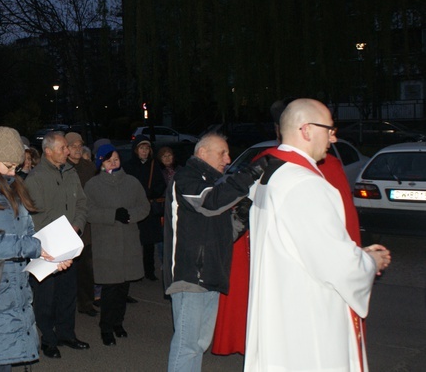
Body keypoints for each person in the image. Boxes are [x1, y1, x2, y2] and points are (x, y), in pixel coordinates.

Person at [245, 99, 391, 371]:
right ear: (306, 130)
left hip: (284, 305)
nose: (334, 137)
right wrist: (370, 262)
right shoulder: (305, 184)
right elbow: (337, 265)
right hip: (308, 315)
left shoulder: (272, 175)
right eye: (330, 129)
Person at [0, 126, 72, 372]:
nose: (13, 172)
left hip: (14, 295)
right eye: (8, 165)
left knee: (5, 364)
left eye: (16, 167)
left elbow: (28, 236)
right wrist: (34, 247)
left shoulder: (13, 189)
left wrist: (52, 260)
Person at [162, 133, 263, 372]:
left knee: (198, 344)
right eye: (222, 153)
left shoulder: (212, 183)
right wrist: (250, 175)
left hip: (211, 274)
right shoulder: (186, 178)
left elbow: (225, 234)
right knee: (188, 344)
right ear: (202, 153)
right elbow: (209, 203)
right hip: (190, 275)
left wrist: (242, 216)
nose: (228, 159)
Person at [25, 131, 89, 359]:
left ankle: (66, 334)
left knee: (67, 293)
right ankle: (48, 339)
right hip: (48, 248)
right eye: (63, 148)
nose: (68, 151)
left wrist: (77, 226)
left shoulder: (71, 172)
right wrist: (58, 234)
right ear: (49, 151)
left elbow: (82, 202)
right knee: (46, 297)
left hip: (69, 243)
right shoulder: (35, 178)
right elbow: (35, 214)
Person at [84, 144, 149, 346]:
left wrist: (130, 216)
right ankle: (106, 327)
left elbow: (144, 206)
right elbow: (88, 211)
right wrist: (112, 215)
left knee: (123, 288)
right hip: (107, 244)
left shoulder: (132, 182)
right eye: (109, 159)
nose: (114, 163)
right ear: (101, 162)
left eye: (116, 159)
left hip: (128, 242)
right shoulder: (93, 185)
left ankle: (118, 323)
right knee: (110, 288)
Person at [123, 135, 166, 281]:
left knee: (149, 243)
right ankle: (134, 272)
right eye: (142, 148)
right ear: (136, 150)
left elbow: (161, 184)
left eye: (147, 148)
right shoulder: (129, 166)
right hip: (134, 207)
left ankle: (149, 271)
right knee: (134, 242)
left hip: (149, 207)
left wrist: (151, 192)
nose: (145, 151)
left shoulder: (154, 166)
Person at [65, 132, 98, 318]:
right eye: (73, 146)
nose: (77, 149)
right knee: (67, 268)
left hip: (87, 225)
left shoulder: (89, 167)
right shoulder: (63, 168)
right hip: (68, 223)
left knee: (87, 266)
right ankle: (68, 304)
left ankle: (86, 302)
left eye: (80, 145)